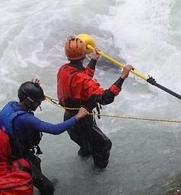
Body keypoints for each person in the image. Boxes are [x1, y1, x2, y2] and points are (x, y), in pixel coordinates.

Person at [0, 80, 88, 195]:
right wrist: (77, 117)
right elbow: (53, 129)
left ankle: (36, 189)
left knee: (36, 162)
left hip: (13, 151)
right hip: (17, 157)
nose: (38, 105)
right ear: (28, 101)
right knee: (48, 187)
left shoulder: (11, 105)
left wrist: (32, 87)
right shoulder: (25, 119)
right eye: (37, 102)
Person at [56, 36, 134, 169]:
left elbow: (81, 78)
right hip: (82, 120)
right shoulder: (82, 79)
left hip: (69, 118)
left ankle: (85, 154)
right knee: (104, 145)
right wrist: (122, 77)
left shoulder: (63, 69)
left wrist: (93, 60)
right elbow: (106, 98)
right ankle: (98, 171)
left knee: (85, 145)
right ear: (83, 55)